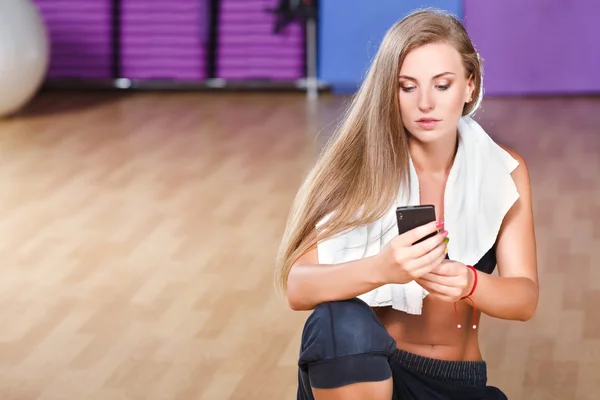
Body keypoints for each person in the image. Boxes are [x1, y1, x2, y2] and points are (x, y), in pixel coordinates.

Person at [275, 8, 539, 400]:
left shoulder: (505, 169)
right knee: (338, 321)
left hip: (455, 383)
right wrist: (383, 268)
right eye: (407, 87)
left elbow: (524, 299)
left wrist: (470, 282)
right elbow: (298, 288)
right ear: (390, 92)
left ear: (470, 86)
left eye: (442, 85)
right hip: (371, 374)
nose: (426, 104)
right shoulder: (357, 168)